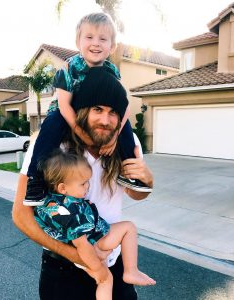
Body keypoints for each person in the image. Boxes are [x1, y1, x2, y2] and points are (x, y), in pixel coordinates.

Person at [13, 66, 154, 300]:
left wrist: (147, 181)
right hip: (63, 271)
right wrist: (78, 255)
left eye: (113, 112)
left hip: (113, 262)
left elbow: (136, 194)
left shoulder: (128, 143)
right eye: (97, 109)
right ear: (82, 110)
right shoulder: (49, 147)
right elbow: (21, 215)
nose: (105, 120)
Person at [24, 12, 152, 207]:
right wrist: (81, 134)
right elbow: (65, 106)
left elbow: (122, 104)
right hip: (65, 114)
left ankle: (129, 173)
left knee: (125, 127)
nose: (96, 43)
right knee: (51, 125)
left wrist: (115, 134)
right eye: (89, 37)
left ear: (112, 47)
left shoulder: (112, 72)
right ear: (78, 41)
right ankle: (36, 180)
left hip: (90, 121)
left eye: (103, 39)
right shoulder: (68, 68)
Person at [35, 149, 156, 300]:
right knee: (105, 279)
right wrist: (98, 269)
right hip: (90, 248)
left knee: (128, 228)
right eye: (83, 183)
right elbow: (81, 245)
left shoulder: (54, 200)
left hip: (95, 238)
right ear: (62, 188)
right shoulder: (66, 212)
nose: (87, 187)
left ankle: (131, 271)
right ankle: (128, 271)